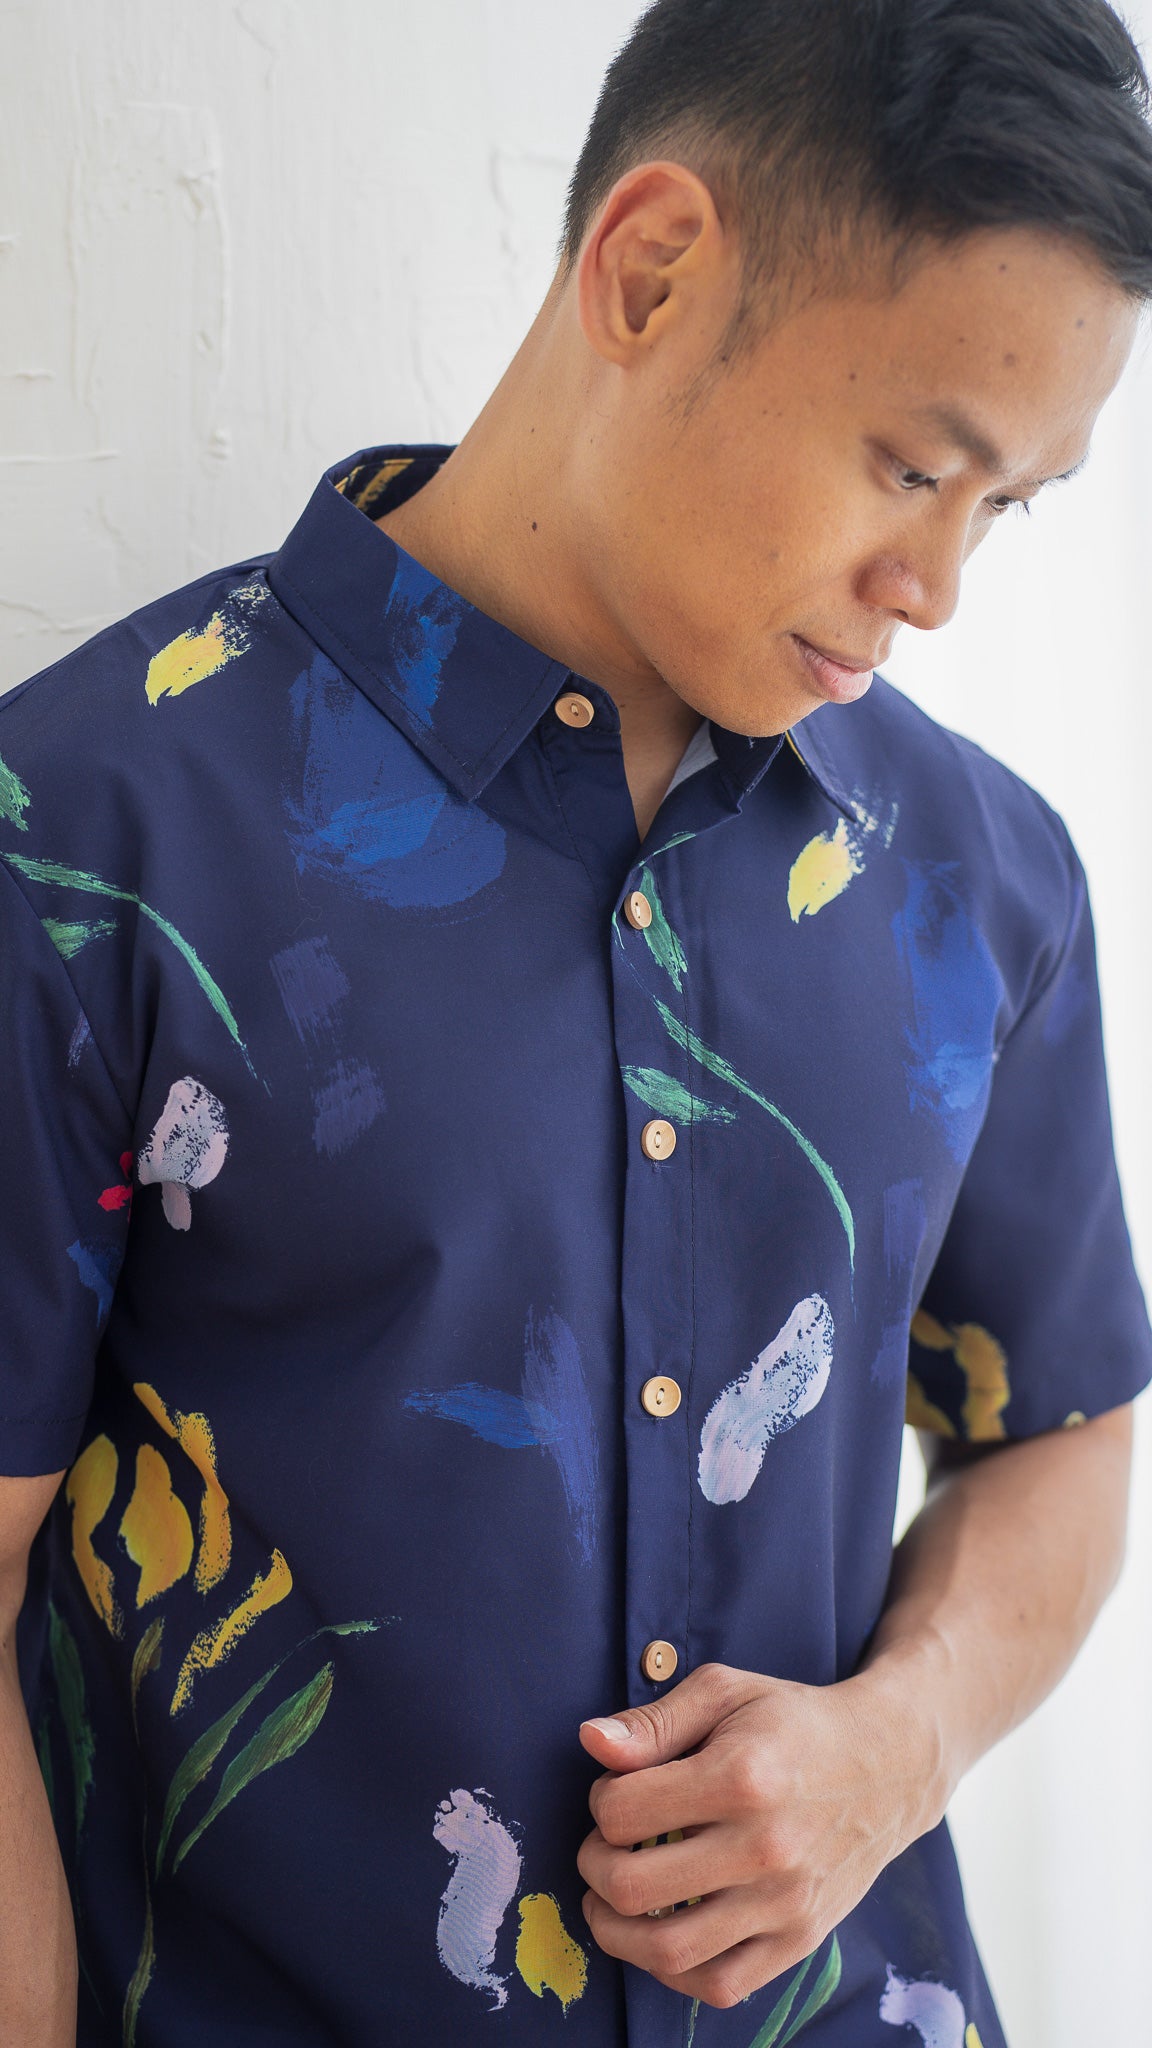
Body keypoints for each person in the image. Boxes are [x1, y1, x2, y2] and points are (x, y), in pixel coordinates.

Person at [4, 0, 1152, 2040]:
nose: (937, 585)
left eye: (1009, 506)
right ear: (650, 272)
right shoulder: (89, 834)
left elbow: (1060, 1429)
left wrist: (902, 1738)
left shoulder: (988, 879)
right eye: (916, 467)